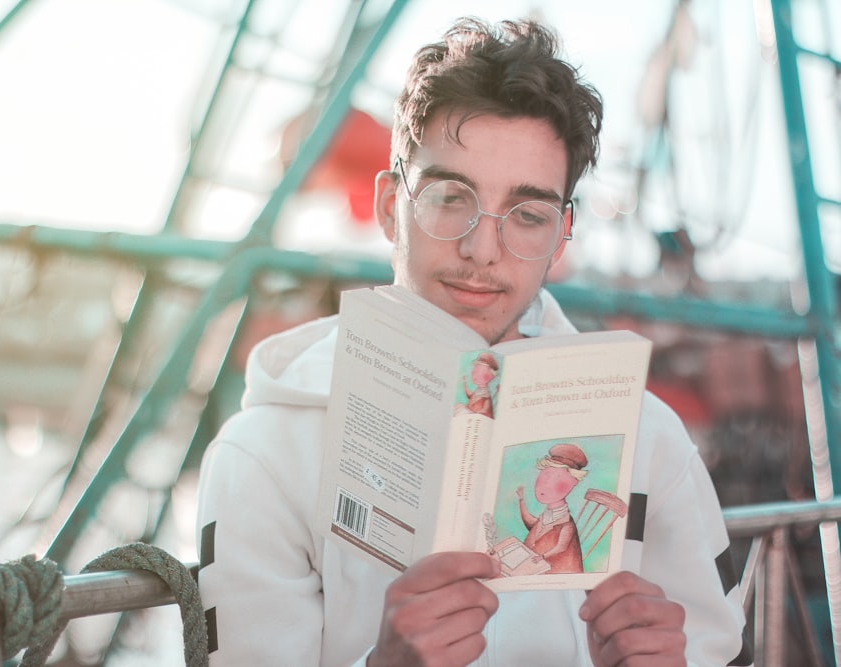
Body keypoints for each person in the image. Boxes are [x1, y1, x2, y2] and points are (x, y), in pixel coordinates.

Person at [195, 17, 750, 667]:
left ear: (561, 234)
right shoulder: (262, 452)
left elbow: (724, 647)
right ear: (387, 206)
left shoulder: (650, 438)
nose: (481, 248)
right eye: (450, 197)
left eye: (528, 214)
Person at [516, 443, 589, 574]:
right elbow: (534, 525)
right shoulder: (547, 516)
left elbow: (561, 547)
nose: (545, 483)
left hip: (554, 574)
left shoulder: (566, 525)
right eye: (544, 475)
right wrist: (521, 500)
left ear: (573, 483)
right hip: (529, 569)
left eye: (556, 477)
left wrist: (542, 557)